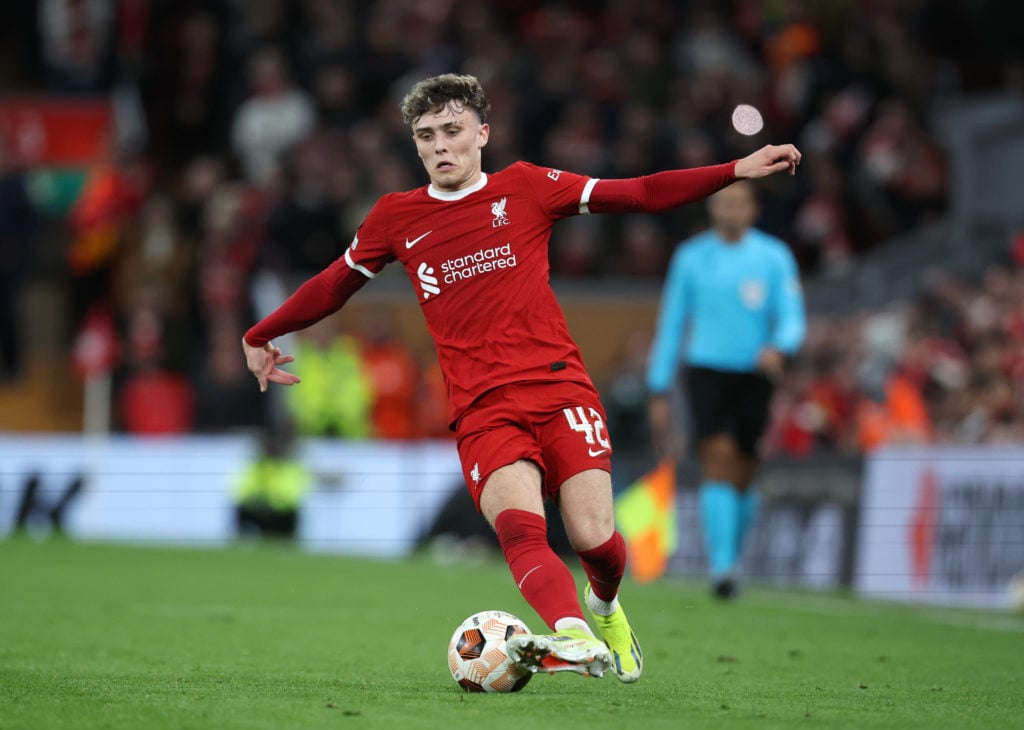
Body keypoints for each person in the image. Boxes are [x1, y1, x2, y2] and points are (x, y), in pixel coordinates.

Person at [243, 73, 801, 682]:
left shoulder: (529, 188)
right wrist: (259, 333)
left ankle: (604, 605)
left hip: (559, 385)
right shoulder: (395, 217)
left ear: (482, 133)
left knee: (595, 537)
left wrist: (735, 169)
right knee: (520, 524)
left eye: (452, 131)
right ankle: (572, 635)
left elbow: (638, 191)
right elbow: (334, 284)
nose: (439, 147)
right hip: (481, 404)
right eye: (425, 136)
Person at [646, 180, 807, 600]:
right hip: (706, 370)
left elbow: (792, 316)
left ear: (753, 210)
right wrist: (659, 384)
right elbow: (672, 322)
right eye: (723, 203)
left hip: (756, 372)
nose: (731, 210)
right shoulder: (691, 257)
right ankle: (722, 566)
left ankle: (731, 556)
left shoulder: (774, 257)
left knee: (745, 469)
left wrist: (780, 347)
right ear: (713, 209)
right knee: (716, 458)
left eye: (739, 203)